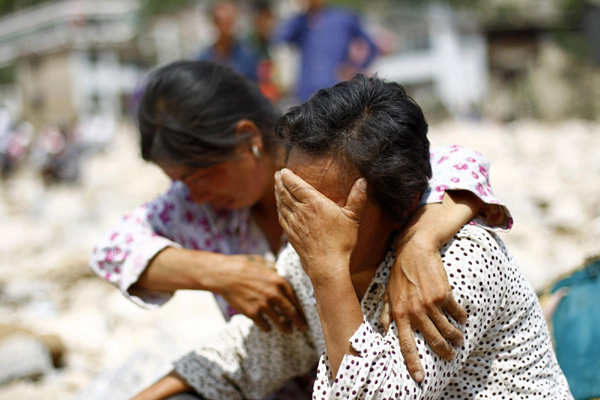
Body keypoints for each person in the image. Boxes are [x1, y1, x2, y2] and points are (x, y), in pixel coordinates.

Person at [132, 75, 572, 400]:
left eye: (325, 208)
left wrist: (329, 273)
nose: (301, 224)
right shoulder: (304, 259)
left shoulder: (454, 265)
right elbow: (242, 360)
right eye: (294, 198)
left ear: (400, 207)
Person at [273, 0, 379, 101]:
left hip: (336, 88)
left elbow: (371, 46)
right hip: (306, 91)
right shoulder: (302, 22)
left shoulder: (343, 17)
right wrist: (302, 13)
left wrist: (355, 68)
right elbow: (280, 39)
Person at [198, 1, 260, 82]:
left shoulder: (247, 56)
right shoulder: (203, 59)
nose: (225, 28)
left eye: (229, 22)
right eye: (221, 23)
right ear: (215, 24)